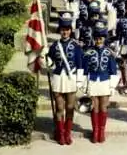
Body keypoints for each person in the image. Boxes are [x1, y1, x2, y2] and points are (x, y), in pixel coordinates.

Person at [46, 12, 84, 145]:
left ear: (70, 31)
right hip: (58, 77)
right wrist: (47, 60)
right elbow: (50, 62)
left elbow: (80, 64)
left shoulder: (76, 46)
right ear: (59, 30)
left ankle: (68, 133)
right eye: (63, 30)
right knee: (59, 108)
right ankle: (61, 134)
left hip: (71, 78)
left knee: (69, 107)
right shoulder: (54, 46)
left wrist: (79, 80)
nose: (65, 32)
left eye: (67, 30)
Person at [80, 21, 119, 143]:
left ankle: (102, 130)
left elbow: (113, 70)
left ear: (104, 38)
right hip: (92, 81)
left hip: (105, 81)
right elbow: (85, 70)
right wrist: (84, 85)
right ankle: (95, 130)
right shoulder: (88, 52)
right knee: (94, 107)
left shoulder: (109, 53)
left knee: (103, 106)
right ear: (94, 39)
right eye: (96, 38)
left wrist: (112, 86)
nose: (99, 41)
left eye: (101, 38)